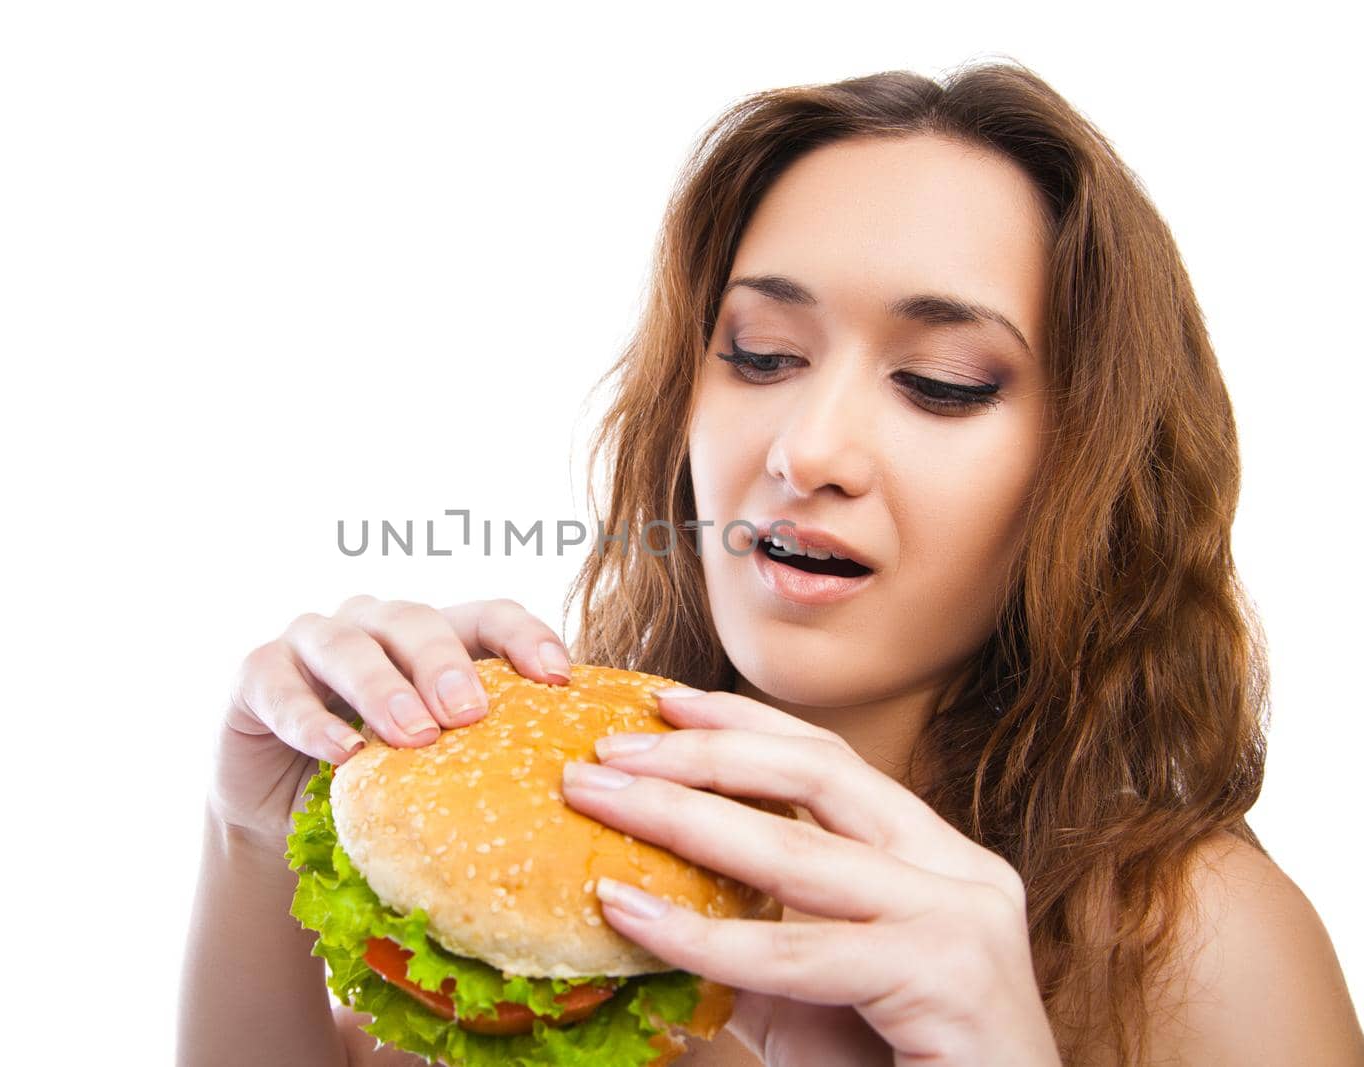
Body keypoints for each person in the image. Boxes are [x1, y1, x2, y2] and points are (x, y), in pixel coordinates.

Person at [176, 60, 1364, 1066]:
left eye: (941, 383)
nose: (807, 451)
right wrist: (249, 837)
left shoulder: (1197, 941)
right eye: (759, 353)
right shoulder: (553, 862)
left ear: (1087, 466)